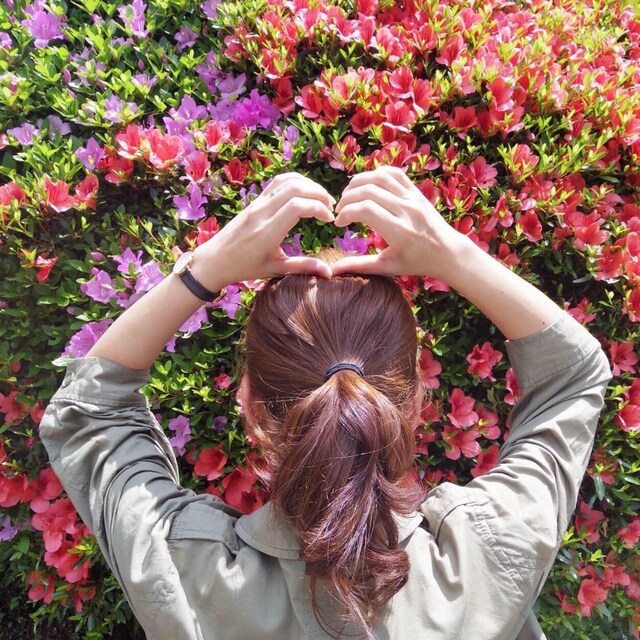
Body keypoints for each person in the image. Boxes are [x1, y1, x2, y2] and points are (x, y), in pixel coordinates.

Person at [40, 165, 612, 640]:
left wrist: (204, 270)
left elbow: (90, 411)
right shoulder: (484, 553)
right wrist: (455, 255)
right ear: (415, 401)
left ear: (249, 404)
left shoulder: (188, 569)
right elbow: (574, 376)